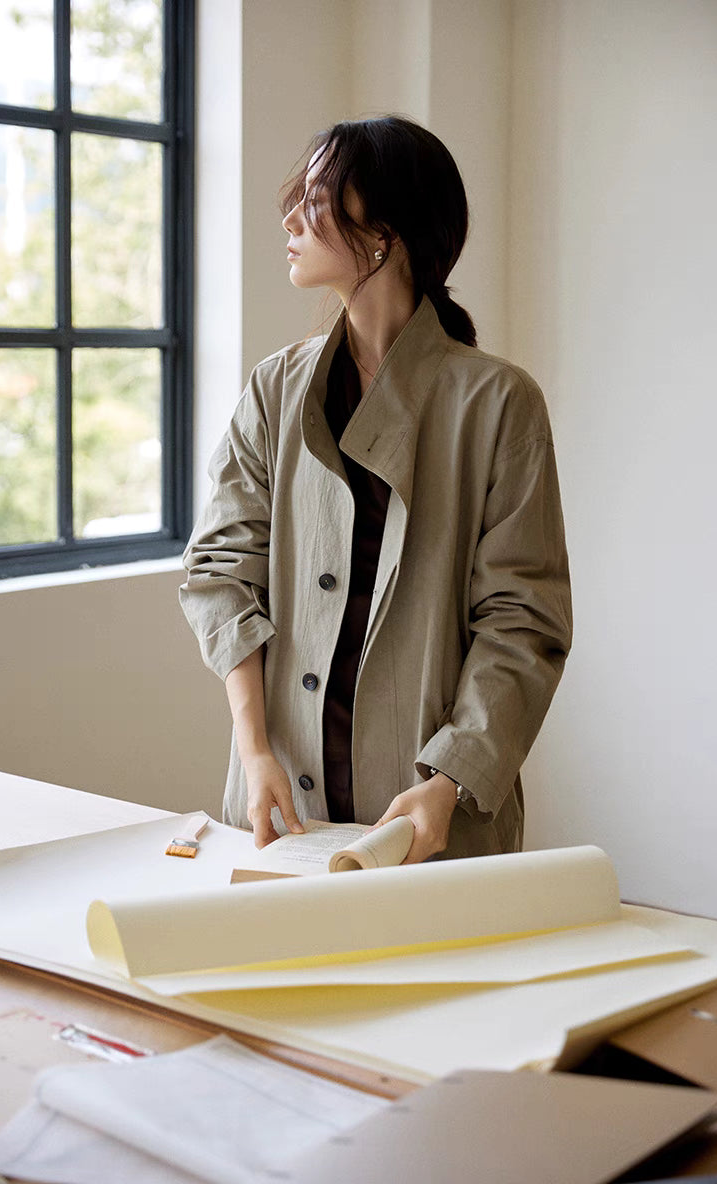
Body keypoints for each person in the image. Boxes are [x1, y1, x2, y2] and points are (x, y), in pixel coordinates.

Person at [180, 115, 572, 864]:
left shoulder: (497, 403)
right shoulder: (276, 389)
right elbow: (218, 575)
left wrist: (452, 778)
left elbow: (523, 624)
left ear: (383, 232)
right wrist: (253, 746)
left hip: (427, 818)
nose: (292, 217)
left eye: (318, 196)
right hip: (280, 808)